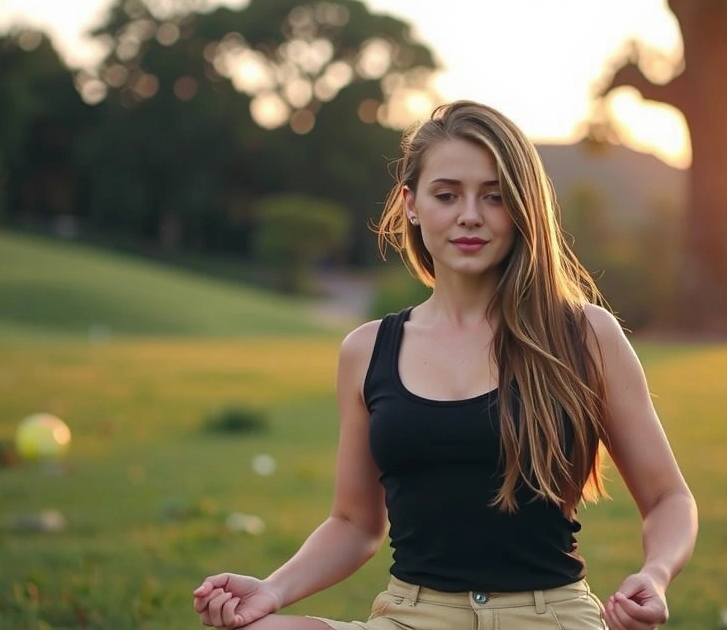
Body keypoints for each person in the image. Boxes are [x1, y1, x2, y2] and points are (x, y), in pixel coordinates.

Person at [193, 100, 698, 630]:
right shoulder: (367, 351)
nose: (470, 215)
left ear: (523, 207)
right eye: (447, 194)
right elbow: (354, 523)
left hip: (550, 617)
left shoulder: (585, 335)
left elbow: (668, 498)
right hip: (411, 618)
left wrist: (656, 573)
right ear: (411, 204)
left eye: (495, 197)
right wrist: (272, 591)